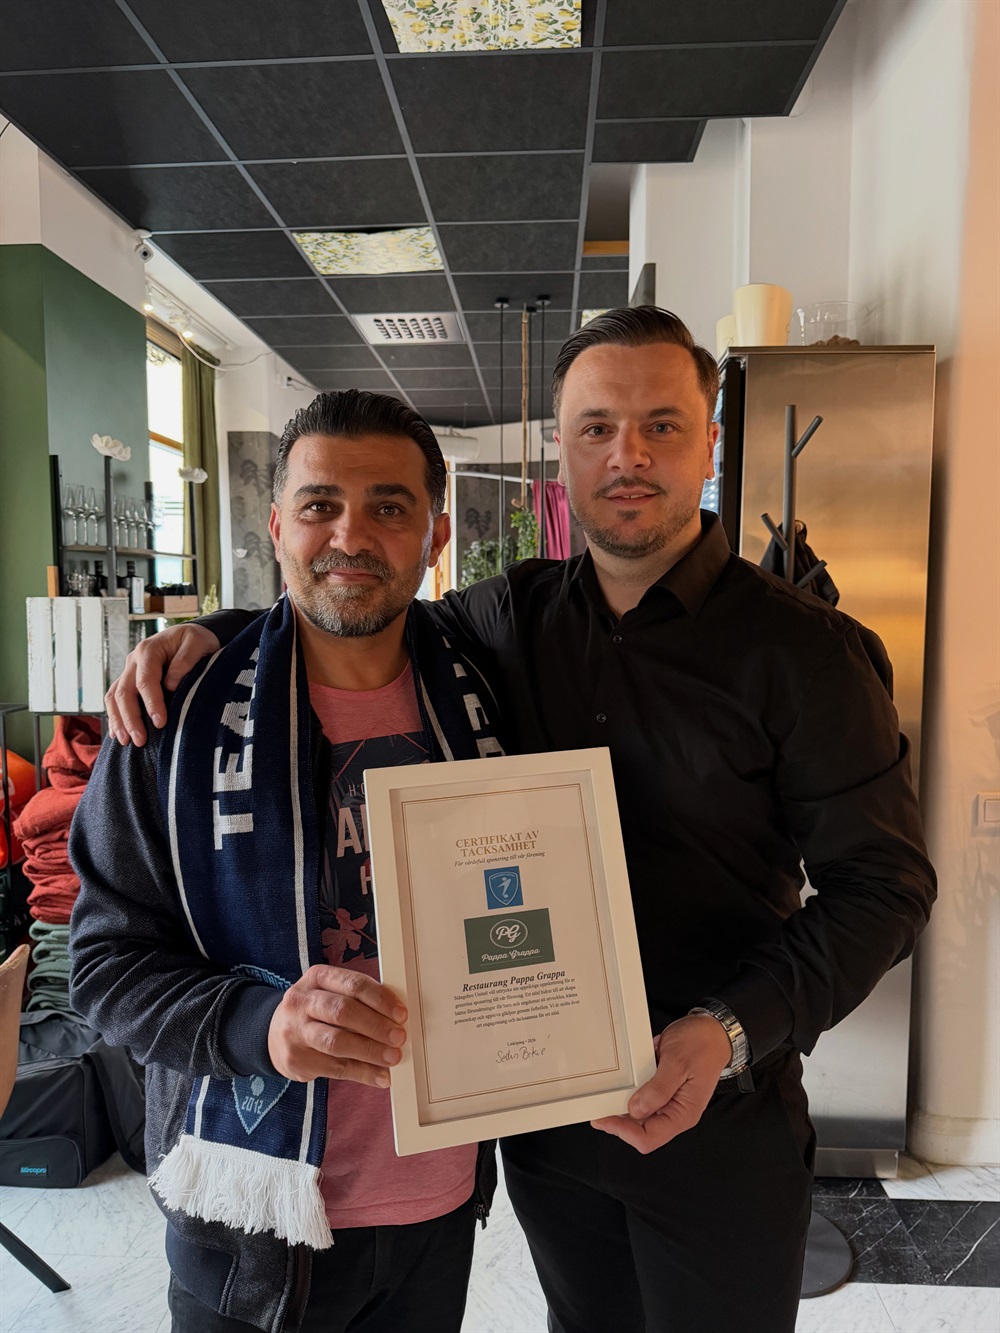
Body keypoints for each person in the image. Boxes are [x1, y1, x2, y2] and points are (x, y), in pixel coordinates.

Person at [105, 308, 935, 1333]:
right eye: (596, 428)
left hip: (720, 1110)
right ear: (561, 448)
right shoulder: (501, 622)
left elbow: (886, 886)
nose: (627, 455)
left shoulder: (805, 653)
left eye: (662, 425)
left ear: (710, 443)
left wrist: (725, 1032)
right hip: (544, 1120)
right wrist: (211, 637)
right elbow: (352, 603)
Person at [69, 390, 505, 1333]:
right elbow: (102, 965)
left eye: (389, 506)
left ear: (434, 534)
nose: (351, 535)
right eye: (319, 505)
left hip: (439, 1196)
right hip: (249, 1216)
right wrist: (257, 1024)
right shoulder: (174, 719)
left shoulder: (488, 689)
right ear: (276, 526)